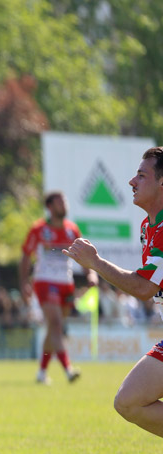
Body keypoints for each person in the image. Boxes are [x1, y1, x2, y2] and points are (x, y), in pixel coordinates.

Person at [64, 147, 163, 438]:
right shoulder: (148, 227)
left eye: (141, 176)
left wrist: (95, 263)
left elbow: (144, 287)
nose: (132, 182)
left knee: (129, 401)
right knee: (128, 402)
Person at [20, 191, 96, 384]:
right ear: (50, 207)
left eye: (65, 200)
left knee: (53, 329)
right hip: (45, 281)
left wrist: (91, 274)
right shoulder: (38, 229)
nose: (64, 204)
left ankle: (41, 372)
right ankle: (68, 369)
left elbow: (84, 256)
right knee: (55, 325)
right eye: (60, 201)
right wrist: (23, 284)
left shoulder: (72, 230)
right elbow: (26, 256)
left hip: (66, 283)